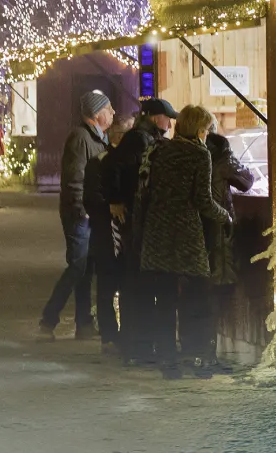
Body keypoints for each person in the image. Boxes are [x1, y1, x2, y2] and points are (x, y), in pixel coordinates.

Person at [137, 105, 229, 379]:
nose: (208, 135)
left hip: (157, 231)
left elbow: (144, 190)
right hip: (186, 234)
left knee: (163, 299)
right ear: (200, 130)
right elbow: (202, 201)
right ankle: (199, 357)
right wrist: (225, 215)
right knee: (198, 296)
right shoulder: (199, 154)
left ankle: (168, 361)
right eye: (208, 130)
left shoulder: (158, 149)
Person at [102, 97, 177, 366]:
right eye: (168, 118)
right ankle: (137, 346)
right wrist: (116, 200)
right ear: (157, 117)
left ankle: (138, 345)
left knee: (139, 283)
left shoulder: (146, 138)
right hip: (135, 221)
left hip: (139, 220)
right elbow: (111, 167)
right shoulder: (139, 139)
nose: (170, 124)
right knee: (137, 283)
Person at [38, 91, 113, 340]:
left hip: (91, 213)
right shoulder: (81, 138)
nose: (113, 113)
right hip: (80, 214)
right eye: (109, 109)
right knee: (78, 267)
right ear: (97, 113)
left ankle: (84, 324)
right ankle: (48, 320)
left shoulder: (99, 138)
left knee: (86, 268)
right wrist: (82, 209)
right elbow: (74, 177)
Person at [202, 117, 255, 371]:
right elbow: (246, 181)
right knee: (216, 291)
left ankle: (198, 352)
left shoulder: (190, 154)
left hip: (194, 233)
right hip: (219, 233)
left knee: (198, 292)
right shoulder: (222, 156)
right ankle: (209, 355)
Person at [87, 115, 133, 352]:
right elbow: (91, 199)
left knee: (122, 285)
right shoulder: (100, 162)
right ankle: (109, 336)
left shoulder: (125, 161)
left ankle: (121, 335)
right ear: (118, 137)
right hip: (107, 234)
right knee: (108, 286)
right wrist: (110, 208)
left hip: (121, 235)